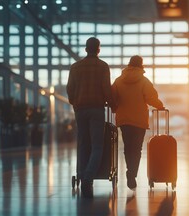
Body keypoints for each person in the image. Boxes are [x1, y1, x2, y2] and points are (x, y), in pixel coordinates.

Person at [67, 37, 115, 198]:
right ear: (98, 49)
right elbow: (106, 89)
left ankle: (81, 174)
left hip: (80, 109)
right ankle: (88, 176)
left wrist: (74, 102)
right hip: (96, 109)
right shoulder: (102, 66)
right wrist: (112, 104)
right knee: (97, 145)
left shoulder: (75, 67)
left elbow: (70, 89)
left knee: (82, 144)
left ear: (86, 49)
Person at [112, 55, 164, 190]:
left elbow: (112, 96)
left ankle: (130, 171)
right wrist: (160, 105)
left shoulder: (118, 80)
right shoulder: (144, 81)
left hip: (124, 119)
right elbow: (151, 97)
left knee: (128, 147)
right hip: (139, 120)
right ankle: (132, 174)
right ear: (141, 65)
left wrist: (113, 107)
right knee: (137, 148)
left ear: (129, 64)